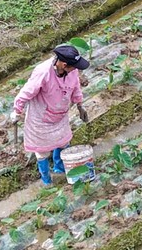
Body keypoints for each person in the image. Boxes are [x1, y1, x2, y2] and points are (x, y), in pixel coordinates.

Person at [9, 44, 91, 185]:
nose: (76, 69)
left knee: (63, 143)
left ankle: (60, 170)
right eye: (74, 66)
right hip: (40, 119)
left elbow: (76, 87)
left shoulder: (72, 71)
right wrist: (17, 111)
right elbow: (25, 93)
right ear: (64, 65)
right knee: (42, 152)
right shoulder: (43, 73)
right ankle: (47, 180)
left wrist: (80, 106)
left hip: (60, 115)